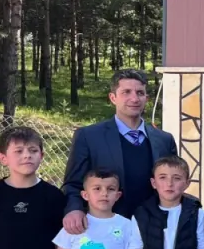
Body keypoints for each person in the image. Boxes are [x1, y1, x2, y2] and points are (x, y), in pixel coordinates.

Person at [62, 69, 176, 230]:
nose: (134, 98)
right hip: (105, 228)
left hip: (154, 229)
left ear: (146, 98)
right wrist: (74, 209)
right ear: (113, 98)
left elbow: (174, 183)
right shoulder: (89, 137)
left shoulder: (164, 140)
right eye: (126, 92)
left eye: (140, 93)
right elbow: (73, 184)